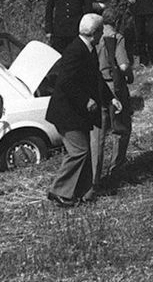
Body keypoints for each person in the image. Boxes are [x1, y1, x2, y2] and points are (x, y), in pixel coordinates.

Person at [46, 14, 122, 207]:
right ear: (94, 33)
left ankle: (83, 192)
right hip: (66, 112)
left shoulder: (87, 49)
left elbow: (96, 78)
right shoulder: (75, 51)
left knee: (85, 152)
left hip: (77, 112)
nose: (102, 34)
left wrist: (111, 98)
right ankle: (59, 191)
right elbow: (65, 82)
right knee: (78, 152)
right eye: (101, 31)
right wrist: (85, 99)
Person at [96, 8, 133, 176]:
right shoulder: (117, 38)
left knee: (99, 132)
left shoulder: (94, 38)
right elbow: (123, 65)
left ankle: (95, 173)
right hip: (113, 86)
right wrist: (130, 74)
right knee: (121, 127)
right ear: (117, 22)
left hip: (96, 86)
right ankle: (115, 168)